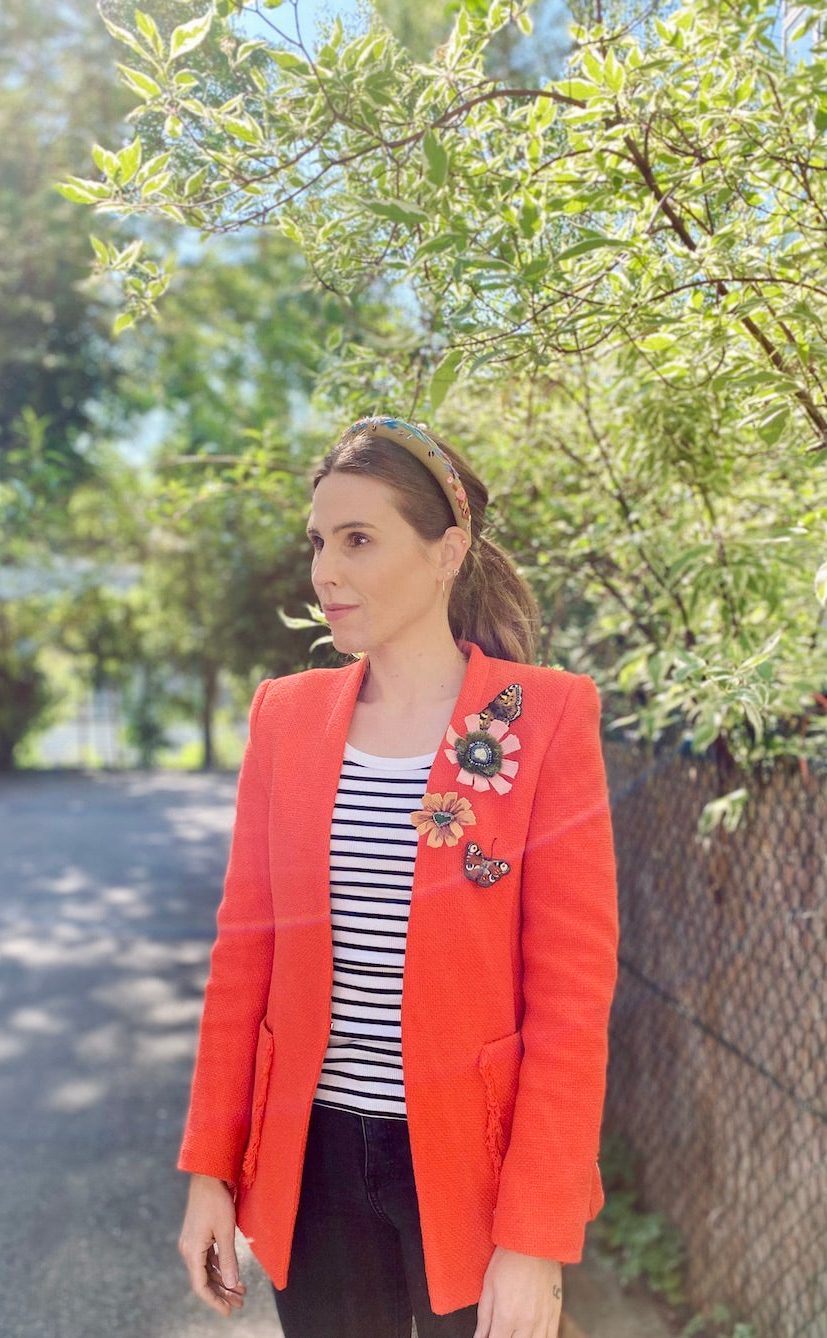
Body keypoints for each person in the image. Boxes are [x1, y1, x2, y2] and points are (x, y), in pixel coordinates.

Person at [177, 416, 619, 1338]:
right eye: (318, 542)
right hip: (313, 1160)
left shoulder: (541, 718)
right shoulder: (286, 717)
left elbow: (571, 1005)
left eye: (359, 539)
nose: (323, 571)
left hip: (472, 1165)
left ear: (447, 551)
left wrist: (535, 1239)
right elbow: (243, 957)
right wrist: (212, 1171)